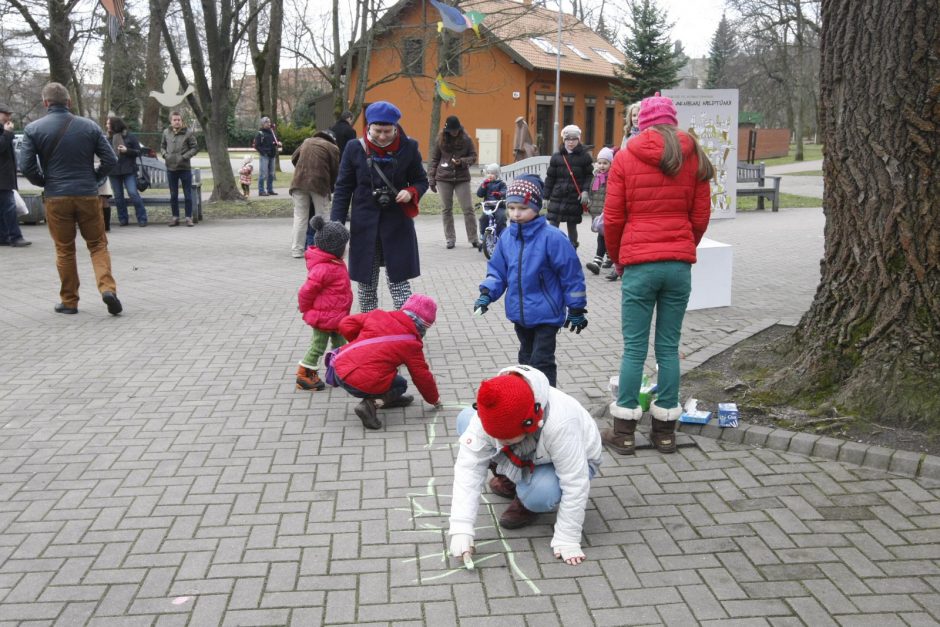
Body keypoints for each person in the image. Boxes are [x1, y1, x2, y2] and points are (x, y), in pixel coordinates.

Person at [603, 92, 714, 455]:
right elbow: (700, 216)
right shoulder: (693, 155)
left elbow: (614, 218)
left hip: (639, 263)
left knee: (634, 348)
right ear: (673, 120)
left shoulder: (625, 157)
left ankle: (624, 432)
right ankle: (665, 430)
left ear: (641, 122)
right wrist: (684, 246)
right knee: (669, 347)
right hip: (678, 264)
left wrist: (619, 258)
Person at [448, 365, 602, 566]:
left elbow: (575, 482)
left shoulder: (562, 423)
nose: (498, 443)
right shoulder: (490, 409)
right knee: (465, 419)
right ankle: (511, 478)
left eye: (505, 438)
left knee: (540, 494)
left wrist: (568, 538)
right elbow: (468, 469)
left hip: (576, 461)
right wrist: (461, 528)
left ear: (531, 422)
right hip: (533, 452)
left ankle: (526, 500)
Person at [472, 174, 587, 387]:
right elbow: (498, 272)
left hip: (547, 314)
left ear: (536, 206)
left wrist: (577, 308)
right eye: (511, 207)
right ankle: (526, 400)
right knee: (525, 360)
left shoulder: (552, 237)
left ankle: (548, 401)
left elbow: (571, 275)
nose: (516, 214)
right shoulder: (507, 237)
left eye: (522, 208)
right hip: (519, 314)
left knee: (541, 361)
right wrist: (486, 294)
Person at [18, 82, 121, 315]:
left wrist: (44, 181)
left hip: (56, 196)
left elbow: (26, 165)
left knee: (64, 249)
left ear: (45, 103)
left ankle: (69, 301)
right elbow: (111, 160)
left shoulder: (33, 129)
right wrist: (94, 179)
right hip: (86, 194)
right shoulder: (89, 126)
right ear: (69, 102)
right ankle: (107, 289)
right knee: (97, 244)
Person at [330, 101, 428, 312]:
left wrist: (411, 192)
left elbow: (421, 180)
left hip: (397, 223)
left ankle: (406, 330)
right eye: (377, 131)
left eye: (388, 131)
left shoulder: (409, 147)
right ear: (368, 127)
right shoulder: (354, 148)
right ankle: (369, 330)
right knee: (366, 285)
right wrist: (336, 225)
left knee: (399, 283)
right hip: (364, 225)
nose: (382, 136)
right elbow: (343, 188)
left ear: (395, 127)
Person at [333, 293, 442, 430]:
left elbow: (345, 323)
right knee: (400, 384)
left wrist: (358, 342)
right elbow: (422, 376)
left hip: (338, 368)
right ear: (423, 325)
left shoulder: (378, 315)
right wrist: (433, 399)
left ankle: (389, 400)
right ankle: (371, 404)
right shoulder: (411, 343)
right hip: (358, 382)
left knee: (389, 377)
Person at [296, 216, 352, 391]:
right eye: (344, 246)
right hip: (324, 318)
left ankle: (339, 370)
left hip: (337, 316)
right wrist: (306, 309)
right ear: (335, 248)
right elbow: (306, 291)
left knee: (341, 345)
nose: (346, 249)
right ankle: (303, 375)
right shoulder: (324, 268)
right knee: (318, 346)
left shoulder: (334, 263)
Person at [428, 115, 479, 249]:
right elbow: (434, 160)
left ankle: (473, 238)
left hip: (462, 177)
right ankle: (450, 239)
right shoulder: (440, 140)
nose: (454, 132)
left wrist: (462, 161)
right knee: (446, 209)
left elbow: (473, 157)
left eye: (456, 130)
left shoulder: (466, 140)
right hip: (443, 177)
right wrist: (431, 179)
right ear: (447, 130)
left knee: (468, 208)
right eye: (451, 130)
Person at [290, 129, 340, 258]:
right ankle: (323, 248)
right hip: (319, 184)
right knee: (322, 217)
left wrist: (302, 169)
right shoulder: (333, 148)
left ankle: (297, 250)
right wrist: (331, 187)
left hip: (298, 182)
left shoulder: (307, 141)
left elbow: (294, 158)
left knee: (300, 217)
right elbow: (335, 170)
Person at [544, 125, 593, 248]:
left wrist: (585, 191)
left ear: (578, 139)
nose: (571, 142)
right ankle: (551, 250)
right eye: (568, 139)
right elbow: (550, 178)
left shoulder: (585, 157)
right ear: (564, 140)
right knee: (553, 225)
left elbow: (589, 176)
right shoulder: (556, 157)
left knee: (572, 225)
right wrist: (545, 197)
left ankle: (572, 250)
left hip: (574, 197)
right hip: (557, 196)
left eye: (574, 139)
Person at [106, 116, 149, 227]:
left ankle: (142, 218)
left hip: (128, 170)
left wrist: (127, 150)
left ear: (114, 125)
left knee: (133, 193)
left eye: (108, 123)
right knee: (118, 196)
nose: (106, 125)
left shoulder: (130, 137)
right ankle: (123, 219)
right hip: (114, 172)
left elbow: (139, 152)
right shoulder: (107, 138)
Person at [0, 102, 30, 248]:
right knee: (9, 207)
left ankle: (4, 236)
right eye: (5, 114)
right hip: (2, 178)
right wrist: (7, 133)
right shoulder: (5, 132)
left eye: (9, 114)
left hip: (5, 177)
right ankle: (15, 236)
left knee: (4, 207)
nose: (8, 117)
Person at [161, 111, 199, 227]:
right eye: (174, 120)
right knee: (173, 195)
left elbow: (195, 148)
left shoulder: (188, 133)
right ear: (171, 121)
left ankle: (188, 217)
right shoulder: (166, 132)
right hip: (171, 169)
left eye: (179, 120)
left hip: (184, 168)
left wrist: (184, 157)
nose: (177, 122)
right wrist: (165, 155)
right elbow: (162, 146)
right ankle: (175, 217)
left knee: (187, 194)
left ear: (182, 121)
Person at [585, 147, 614, 275]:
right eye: (600, 162)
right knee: (605, 236)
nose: (602, 166)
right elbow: (592, 193)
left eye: (605, 163)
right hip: (597, 213)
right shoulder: (596, 177)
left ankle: (597, 262)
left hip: (607, 212)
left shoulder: (612, 178)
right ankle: (611, 257)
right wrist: (590, 205)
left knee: (603, 236)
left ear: (610, 164)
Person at [476, 163, 508, 240]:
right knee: (483, 218)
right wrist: (483, 186)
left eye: (493, 174)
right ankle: (483, 233)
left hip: (498, 206)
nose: (490, 175)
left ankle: (501, 234)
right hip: (488, 205)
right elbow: (479, 194)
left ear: (497, 175)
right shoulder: (486, 184)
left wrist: (499, 194)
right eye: (488, 173)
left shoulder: (501, 183)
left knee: (501, 217)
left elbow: (505, 192)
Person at [254, 116, 281, 196]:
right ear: (263, 124)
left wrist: (277, 143)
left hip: (272, 155)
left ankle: (270, 190)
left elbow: (273, 142)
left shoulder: (271, 132)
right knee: (263, 174)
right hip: (264, 156)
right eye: (267, 122)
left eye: (269, 122)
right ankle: (261, 191)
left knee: (271, 174)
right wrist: (263, 153)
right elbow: (257, 145)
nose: (269, 123)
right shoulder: (260, 133)